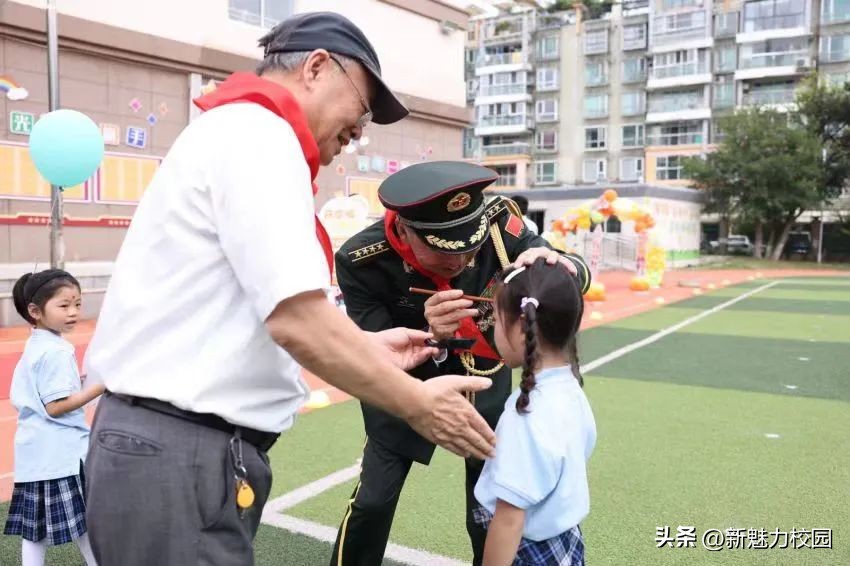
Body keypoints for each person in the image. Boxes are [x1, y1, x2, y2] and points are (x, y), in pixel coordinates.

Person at [82, 12, 494, 566]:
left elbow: (251, 314)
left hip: (183, 449)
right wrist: (419, 404)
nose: (360, 131)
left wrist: (367, 348)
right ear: (317, 68)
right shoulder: (259, 134)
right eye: (362, 106)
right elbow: (295, 318)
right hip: (180, 450)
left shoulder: (242, 133)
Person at [330, 161, 591, 566]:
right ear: (404, 229)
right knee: (373, 503)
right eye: (444, 251)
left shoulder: (499, 222)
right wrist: (431, 334)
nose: (464, 261)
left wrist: (563, 263)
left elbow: (559, 280)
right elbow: (374, 357)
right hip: (408, 392)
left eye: (471, 247)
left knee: (486, 511)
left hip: (485, 386)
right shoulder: (361, 260)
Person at [473, 258, 595, 565]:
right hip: (566, 539)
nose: (494, 332)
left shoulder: (526, 415)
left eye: (497, 322)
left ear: (521, 329)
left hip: (529, 551)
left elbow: (510, 519)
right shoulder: (570, 390)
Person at [4, 270, 104, 566]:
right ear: (35, 311)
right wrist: (100, 386)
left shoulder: (38, 344)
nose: (73, 312)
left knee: (34, 534)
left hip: (37, 455)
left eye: (77, 303)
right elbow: (56, 406)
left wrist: (85, 384)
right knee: (85, 523)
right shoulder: (56, 352)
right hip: (61, 455)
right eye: (64, 305)